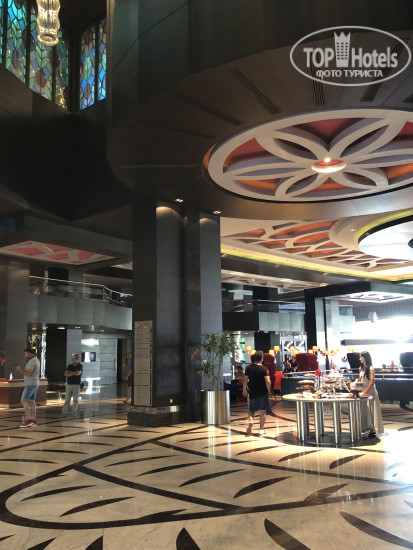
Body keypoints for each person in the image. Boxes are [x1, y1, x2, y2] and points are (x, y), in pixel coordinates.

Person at [243, 351, 271, 436]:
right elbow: (268, 381)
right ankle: (261, 429)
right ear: (261, 359)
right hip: (262, 392)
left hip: (252, 392)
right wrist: (268, 390)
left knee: (252, 410)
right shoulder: (264, 369)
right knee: (263, 411)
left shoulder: (248, 368)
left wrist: (244, 390)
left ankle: (251, 421)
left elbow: (245, 380)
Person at [358, 351, 384, 437]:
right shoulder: (361, 368)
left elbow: (371, 382)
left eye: (361, 357)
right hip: (363, 391)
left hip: (371, 392)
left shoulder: (371, 368)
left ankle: (373, 428)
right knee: (365, 410)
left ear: (365, 358)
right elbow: (359, 380)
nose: (360, 359)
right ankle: (366, 427)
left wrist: (365, 392)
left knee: (372, 410)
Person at [16, 348, 40, 427]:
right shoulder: (36, 360)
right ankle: (33, 420)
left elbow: (28, 373)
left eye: (25, 353)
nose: (24, 355)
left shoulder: (32, 361)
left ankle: (29, 420)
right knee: (31, 401)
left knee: (23, 400)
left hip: (30, 384)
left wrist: (20, 370)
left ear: (30, 353)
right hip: (34, 383)